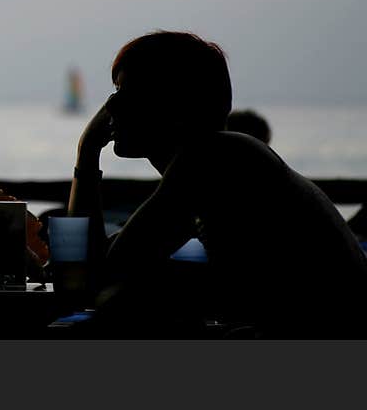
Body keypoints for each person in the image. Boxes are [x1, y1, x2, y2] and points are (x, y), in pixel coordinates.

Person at [67, 31, 367, 338]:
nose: (110, 107)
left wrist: (87, 150)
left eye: (126, 92)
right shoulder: (221, 157)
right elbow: (96, 265)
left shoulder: (210, 159)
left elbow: (97, 274)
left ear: (175, 107)